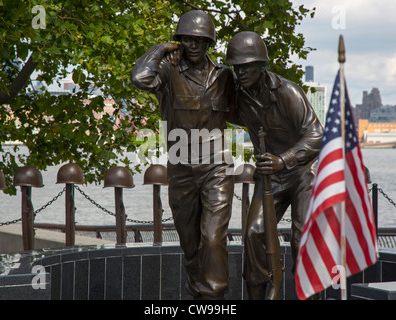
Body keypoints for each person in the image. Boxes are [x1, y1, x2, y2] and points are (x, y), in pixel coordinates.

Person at [130, 10, 237, 300]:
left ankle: (213, 298)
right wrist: (160, 50)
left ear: (209, 42)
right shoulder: (167, 71)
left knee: (213, 238)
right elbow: (140, 78)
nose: (193, 45)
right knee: (190, 246)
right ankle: (198, 295)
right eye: (186, 39)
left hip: (217, 166)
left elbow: (245, 112)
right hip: (181, 166)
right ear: (178, 41)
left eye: (199, 40)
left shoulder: (224, 76)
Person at [225, 31, 324, 299]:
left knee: (301, 237)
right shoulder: (237, 96)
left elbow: (316, 135)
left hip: (303, 171)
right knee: (254, 234)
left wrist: (284, 160)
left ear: (261, 66)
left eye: (246, 67)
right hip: (271, 176)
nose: (241, 73)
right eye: (237, 68)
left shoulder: (288, 92)